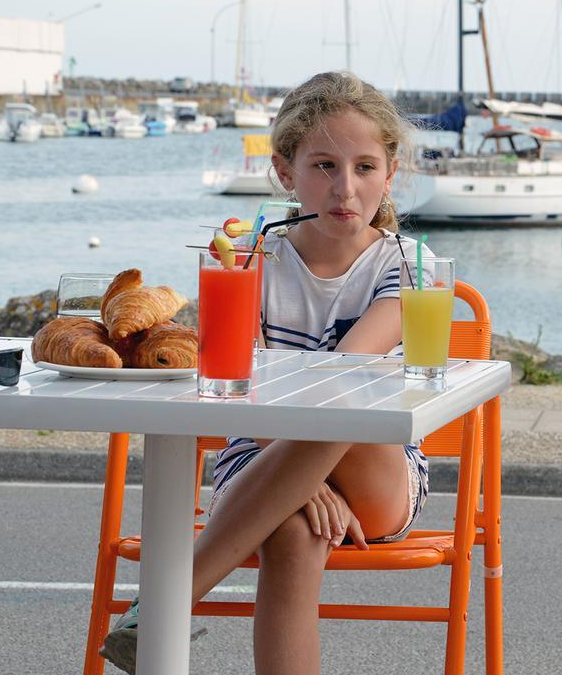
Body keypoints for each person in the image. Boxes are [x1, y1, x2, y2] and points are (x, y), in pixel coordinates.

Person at [101, 71, 431, 674]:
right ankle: (166, 608)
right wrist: (304, 484)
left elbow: (341, 383)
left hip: (376, 468)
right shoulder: (245, 259)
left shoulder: (407, 265)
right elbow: (238, 394)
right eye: (324, 166)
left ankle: (164, 607)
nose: (346, 189)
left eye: (364, 167)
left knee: (340, 400)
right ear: (285, 173)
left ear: (391, 172)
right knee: (292, 536)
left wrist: (306, 474)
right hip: (254, 459)